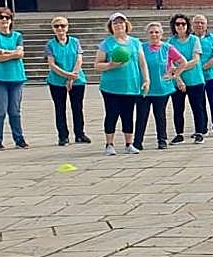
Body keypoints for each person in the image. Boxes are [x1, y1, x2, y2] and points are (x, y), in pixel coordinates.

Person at [94, 12, 149, 155]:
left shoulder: (135, 42)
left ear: (126, 24)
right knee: (111, 114)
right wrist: (111, 65)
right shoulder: (106, 44)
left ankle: (129, 144)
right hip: (111, 87)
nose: (119, 25)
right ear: (111, 26)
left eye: (121, 22)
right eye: (115, 23)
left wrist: (146, 80)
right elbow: (97, 65)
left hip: (131, 85)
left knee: (128, 114)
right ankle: (109, 144)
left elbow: (142, 63)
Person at [134, 21, 186, 151]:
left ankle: (162, 140)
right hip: (144, 87)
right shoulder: (141, 48)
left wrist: (174, 75)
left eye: (157, 32)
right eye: (151, 32)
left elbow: (183, 62)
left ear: (161, 34)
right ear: (147, 34)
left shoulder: (167, 48)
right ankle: (137, 141)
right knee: (141, 115)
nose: (154, 35)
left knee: (160, 114)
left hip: (161, 88)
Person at [0, 6, 29, 150]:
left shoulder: (17, 36)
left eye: (7, 17)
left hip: (16, 78)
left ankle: (19, 139)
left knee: (15, 111)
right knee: (0, 111)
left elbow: (20, 54)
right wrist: (12, 54)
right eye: (1, 17)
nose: (4, 20)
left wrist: (3, 51)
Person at [44, 15, 89, 146]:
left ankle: (80, 134)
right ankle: (63, 136)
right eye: (56, 26)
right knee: (60, 108)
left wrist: (72, 76)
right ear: (53, 29)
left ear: (67, 27)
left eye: (62, 26)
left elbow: (79, 59)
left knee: (77, 107)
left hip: (77, 79)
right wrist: (67, 75)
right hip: (57, 81)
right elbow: (52, 64)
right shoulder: (50, 44)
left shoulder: (75, 42)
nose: (60, 28)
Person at [168, 13, 208, 144]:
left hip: (195, 79)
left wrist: (179, 69)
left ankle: (199, 132)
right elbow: (170, 63)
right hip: (178, 81)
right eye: (177, 24)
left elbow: (195, 60)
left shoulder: (194, 40)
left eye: (183, 24)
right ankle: (179, 134)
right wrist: (178, 79)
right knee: (178, 108)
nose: (180, 26)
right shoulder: (170, 42)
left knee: (197, 107)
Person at [193, 14, 213, 138]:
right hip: (196, 78)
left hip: (211, 76)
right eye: (197, 22)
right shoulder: (191, 39)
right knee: (199, 104)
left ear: (206, 25)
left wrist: (201, 68)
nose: (199, 25)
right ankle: (201, 128)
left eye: (202, 22)